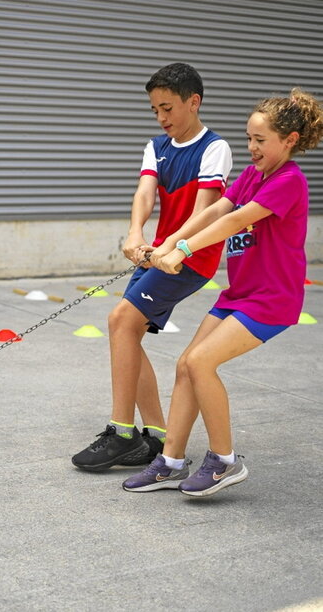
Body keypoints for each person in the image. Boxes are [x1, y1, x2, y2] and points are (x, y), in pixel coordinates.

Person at [122, 88, 323, 496]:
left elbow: (237, 221)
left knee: (199, 363)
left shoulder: (289, 181)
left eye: (260, 140)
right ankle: (171, 461)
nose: (251, 148)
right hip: (240, 293)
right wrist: (168, 243)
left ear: (290, 141)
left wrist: (182, 250)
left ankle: (224, 461)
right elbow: (216, 210)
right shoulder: (253, 174)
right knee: (185, 366)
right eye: (248, 138)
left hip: (273, 299)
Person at [72, 63, 233, 470]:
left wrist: (176, 249)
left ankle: (122, 433)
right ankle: (157, 436)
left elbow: (206, 211)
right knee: (127, 330)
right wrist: (134, 233)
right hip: (159, 253)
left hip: (190, 258)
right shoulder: (156, 146)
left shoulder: (215, 148)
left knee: (120, 321)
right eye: (155, 110)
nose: (161, 118)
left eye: (168, 108)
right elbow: (145, 192)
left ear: (193, 102)